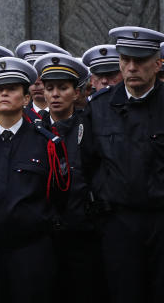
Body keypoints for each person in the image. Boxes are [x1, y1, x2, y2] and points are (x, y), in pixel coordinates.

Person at [0, 56, 69, 303]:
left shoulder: (45, 143)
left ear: (26, 98)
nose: (3, 94)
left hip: (30, 253)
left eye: (12, 89)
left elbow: (59, 197)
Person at [81, 26, 164, 302]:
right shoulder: (99, 107)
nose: (131, 67)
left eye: (139, 61)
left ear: (158, 63)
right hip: (118, 221)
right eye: (126, 60)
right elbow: (86, 162)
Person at [35, 53, 107, 303]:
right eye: (49, 88)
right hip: (42, 234)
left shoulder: (89, 127)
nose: (55, 94)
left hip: (81, 233)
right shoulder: (34, 129)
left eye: (62, 88)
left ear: (76, 93)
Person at [16, 40, 70, 121]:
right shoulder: (18, 116)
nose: (36, 82)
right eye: (32, 76)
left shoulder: (71, 115)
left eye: (42, 75)